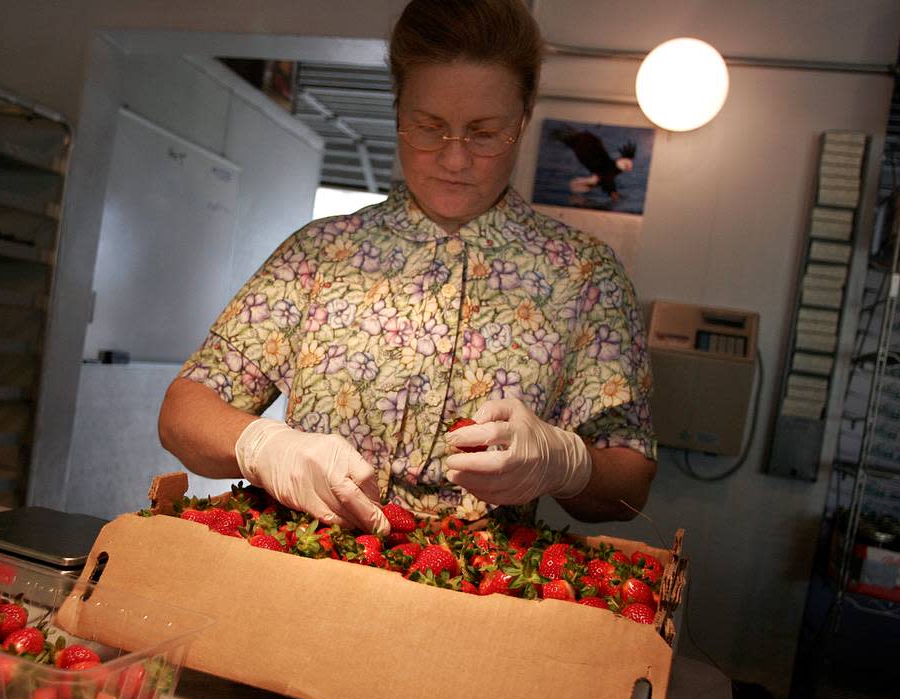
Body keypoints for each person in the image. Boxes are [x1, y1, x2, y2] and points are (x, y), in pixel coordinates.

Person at [159, 0, 657, 536]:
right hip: (300, 571)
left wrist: (568, 463)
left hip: (474, 592)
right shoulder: (320, 255)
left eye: (485, 133)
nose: (454, 159)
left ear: (525, 116)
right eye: (428, 126)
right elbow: (183, 412)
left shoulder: (584, 277)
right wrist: (264, 445)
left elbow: (628, 489)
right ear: (397, 110)